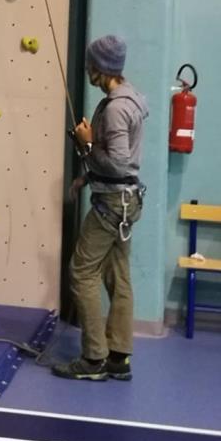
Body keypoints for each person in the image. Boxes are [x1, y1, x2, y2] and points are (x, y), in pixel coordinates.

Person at [53, 35, 148, 382]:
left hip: (112, 203)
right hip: (125, 200)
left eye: (91, 65)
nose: (88, 70)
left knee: (82, 272)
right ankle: (119, 357)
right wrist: (85, 176)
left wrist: (86, 144)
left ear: (101, 68)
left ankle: (94, 359)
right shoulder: (132, 97)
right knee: (117, 274)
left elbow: (120, 163)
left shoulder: (116, 108)